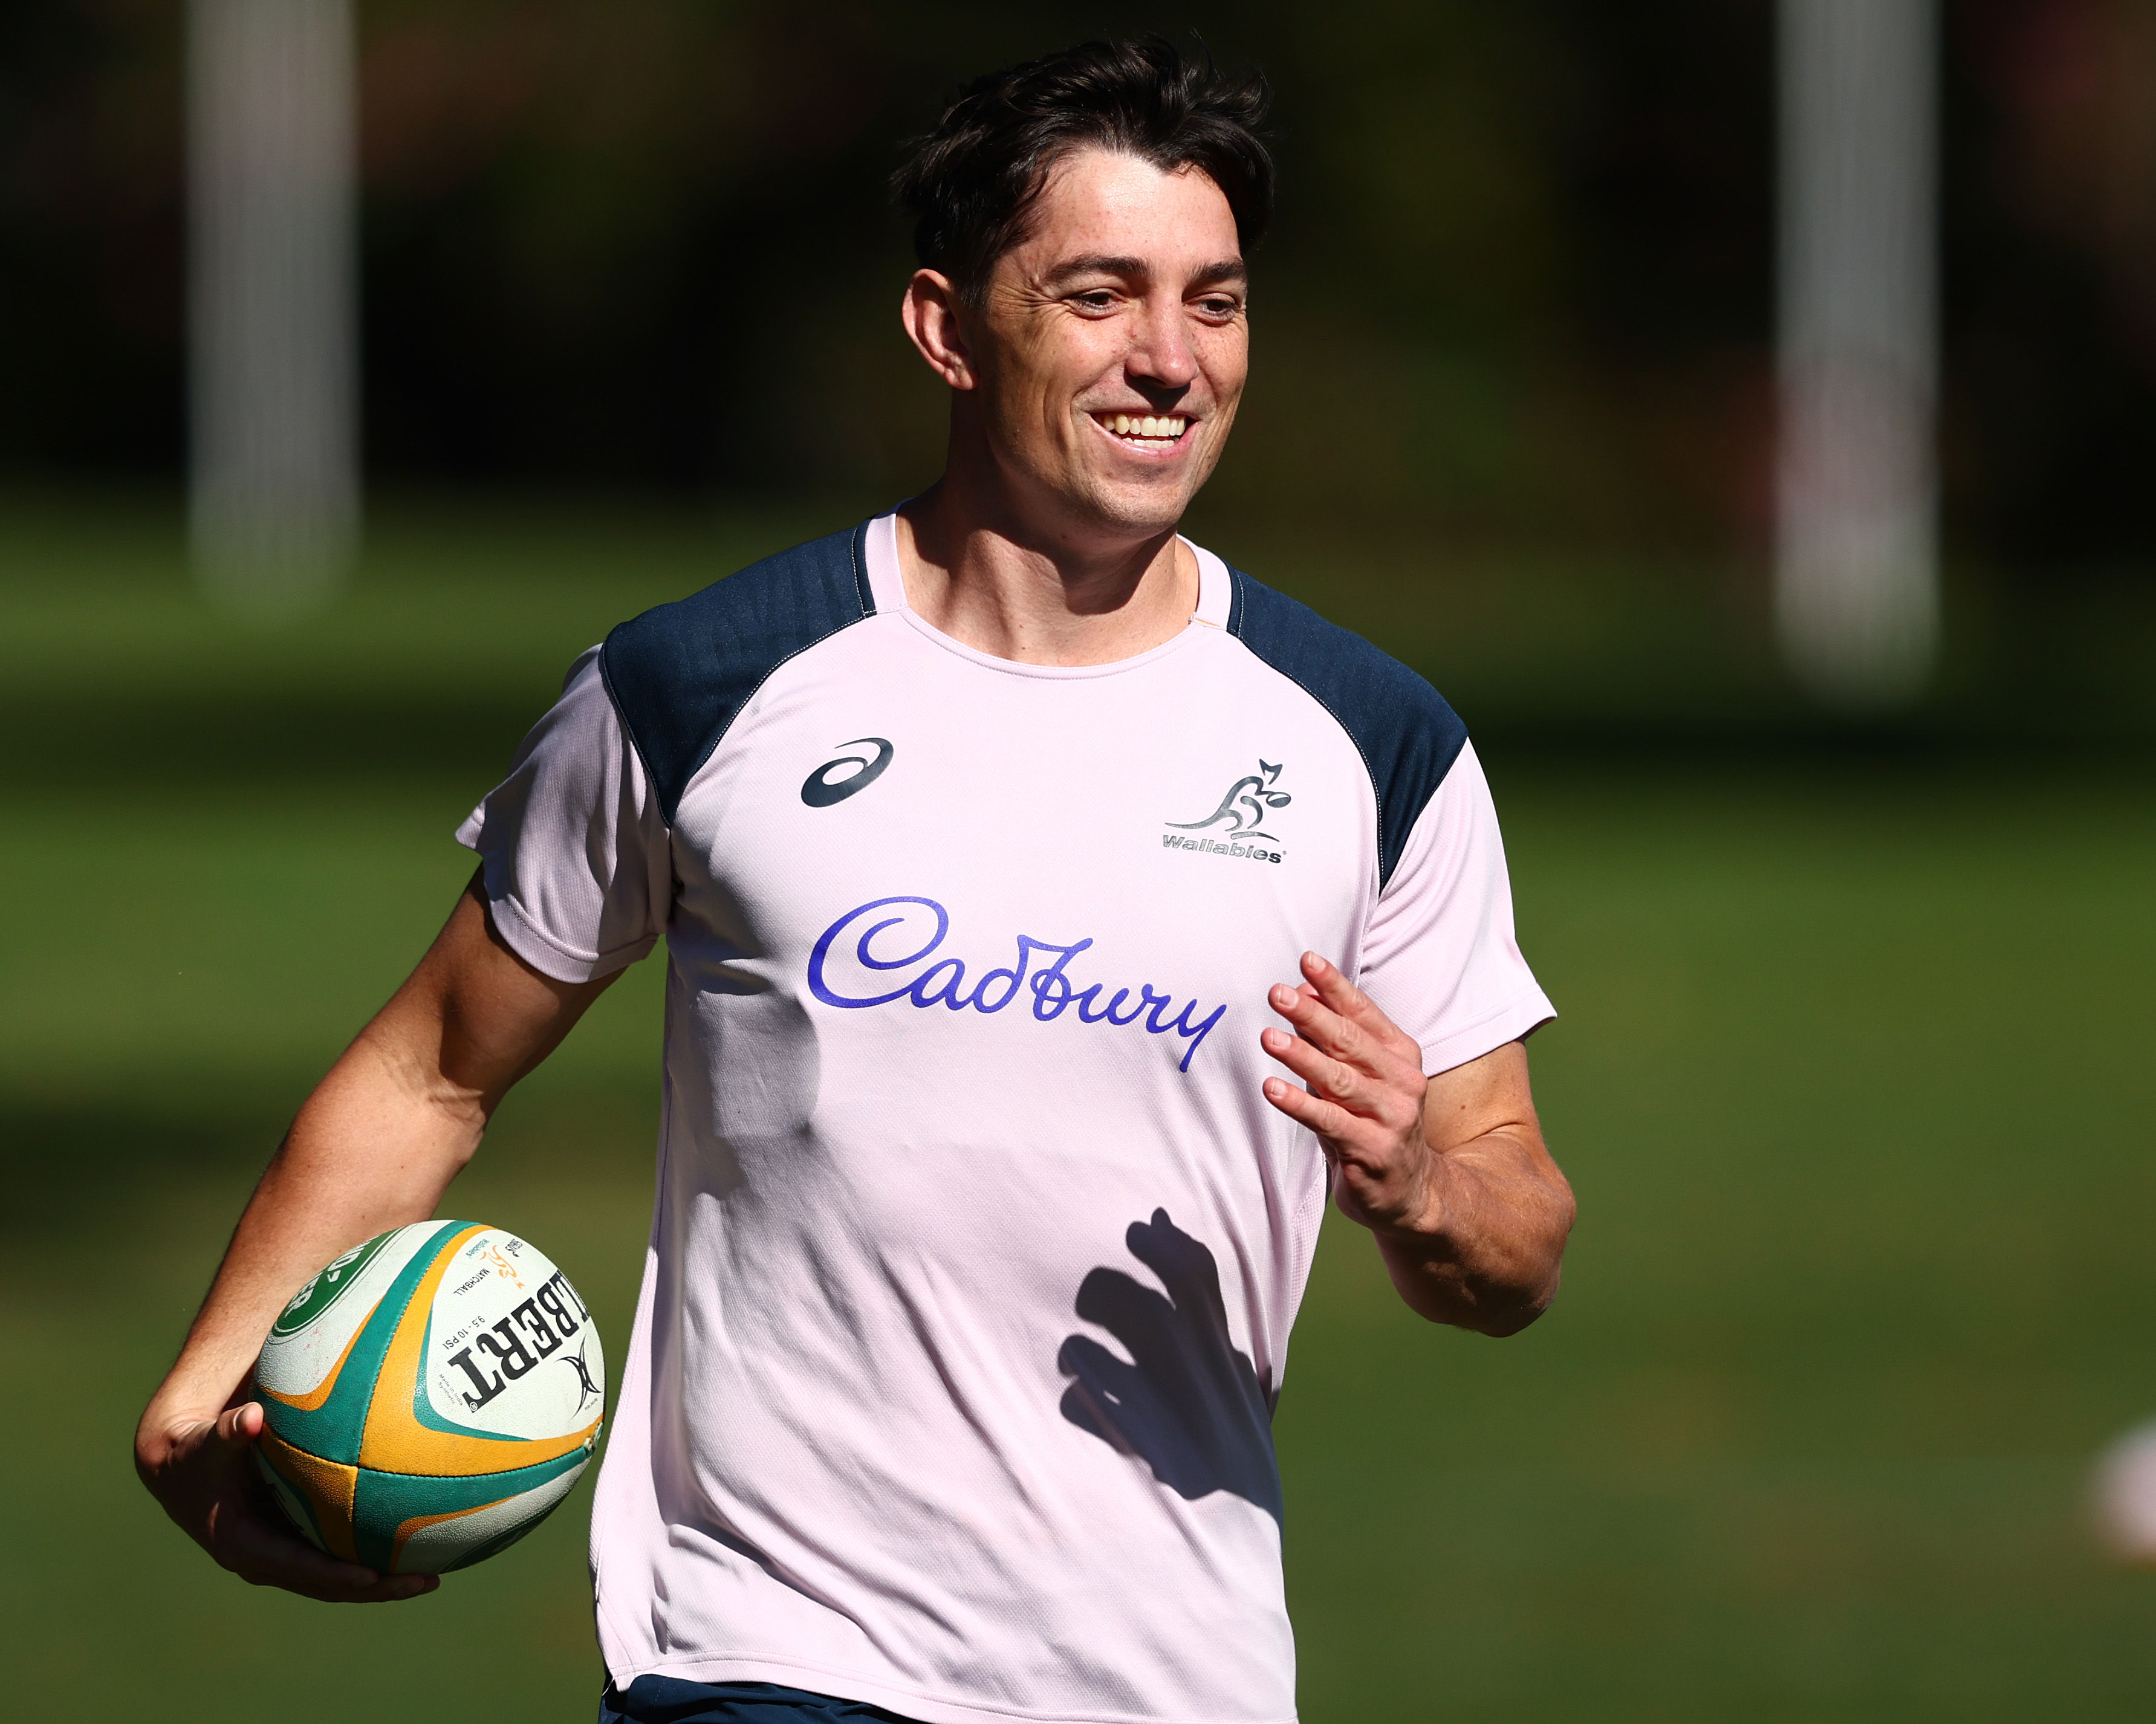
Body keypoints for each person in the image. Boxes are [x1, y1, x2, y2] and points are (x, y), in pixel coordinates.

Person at [135, 36, 1574, 1724]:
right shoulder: (699, 687)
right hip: (766, 1654)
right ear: (947, 327)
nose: (1172, 358)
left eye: (1217, 300)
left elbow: (1518, 1229)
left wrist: (1419, 1178)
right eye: (1103, 294)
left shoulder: (1371, 745)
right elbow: (434, 1066)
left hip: (1175, 1674)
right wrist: (200, 1396)